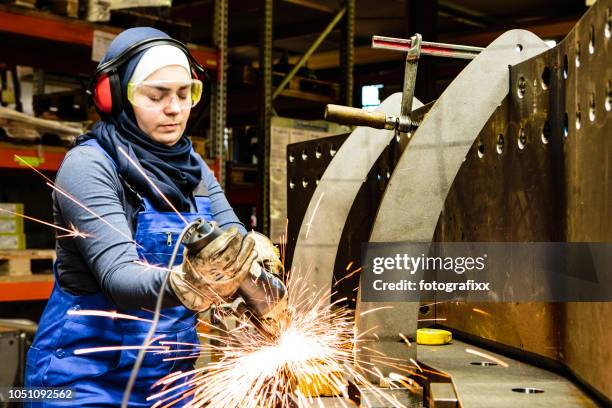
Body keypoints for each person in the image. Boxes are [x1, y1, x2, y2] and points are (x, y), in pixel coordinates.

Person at [24, 27, 280, 407]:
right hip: (83, 381)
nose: (174, 109)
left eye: (184, 93)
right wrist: (185, 283)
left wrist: (257, 265)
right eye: (156, 95)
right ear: (114, 96)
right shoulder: (90, 165)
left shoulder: (192, 168)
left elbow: (233, 241)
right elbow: (119, 277)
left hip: (169, 381)